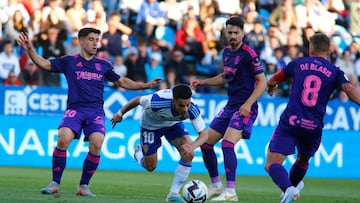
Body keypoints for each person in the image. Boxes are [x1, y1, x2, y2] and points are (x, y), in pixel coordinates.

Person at [17, 27, 161, 198]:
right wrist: (30, 49)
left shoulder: (104, 65)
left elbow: (121, 81)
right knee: (63, 139)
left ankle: (83, 186)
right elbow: (45, 64)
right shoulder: (69, 61)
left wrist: (144, 85)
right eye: (91, 39)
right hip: (75, 109)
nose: (95, 43)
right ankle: (55, 183)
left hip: (95, 112)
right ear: (81, 41)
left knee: (97, 142)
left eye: (97, 40)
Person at [264, 33, 360, 203]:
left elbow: (275, 78)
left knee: (272, 163)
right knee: (303, 159)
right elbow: (349, 89)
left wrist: (271, 86)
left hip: (291, 121)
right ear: (329, 50)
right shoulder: (335, 71)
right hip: (313, 126)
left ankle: (289, 189)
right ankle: (291, 188)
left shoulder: (298, 64)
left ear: (311, 48)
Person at [191, 16, 267, 201]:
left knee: (227, 143)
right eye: (229, 32)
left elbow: (263, 81)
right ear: (225, 32)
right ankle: (216, 185)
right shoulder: (226, 52)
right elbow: (226, 76)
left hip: (245, 108)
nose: (232, 36)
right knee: (206, 144)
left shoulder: (249, 54)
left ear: (243, 33)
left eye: (236, 32)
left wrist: (248, 104)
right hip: (230, 106)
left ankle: (231, 192)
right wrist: (203, 82)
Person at [111, 84, 208, 203]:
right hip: (150, 126)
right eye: (181, 106)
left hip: (172, 125)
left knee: (189, 154)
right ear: (173, 102)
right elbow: (136, 100)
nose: (185, 109)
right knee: (151, 167)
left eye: (187, 105)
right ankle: (139, 154)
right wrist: (120, 114)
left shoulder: (192, 109)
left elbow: (204, 134)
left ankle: (173, 193)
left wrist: (191, 146)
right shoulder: (157, 101)